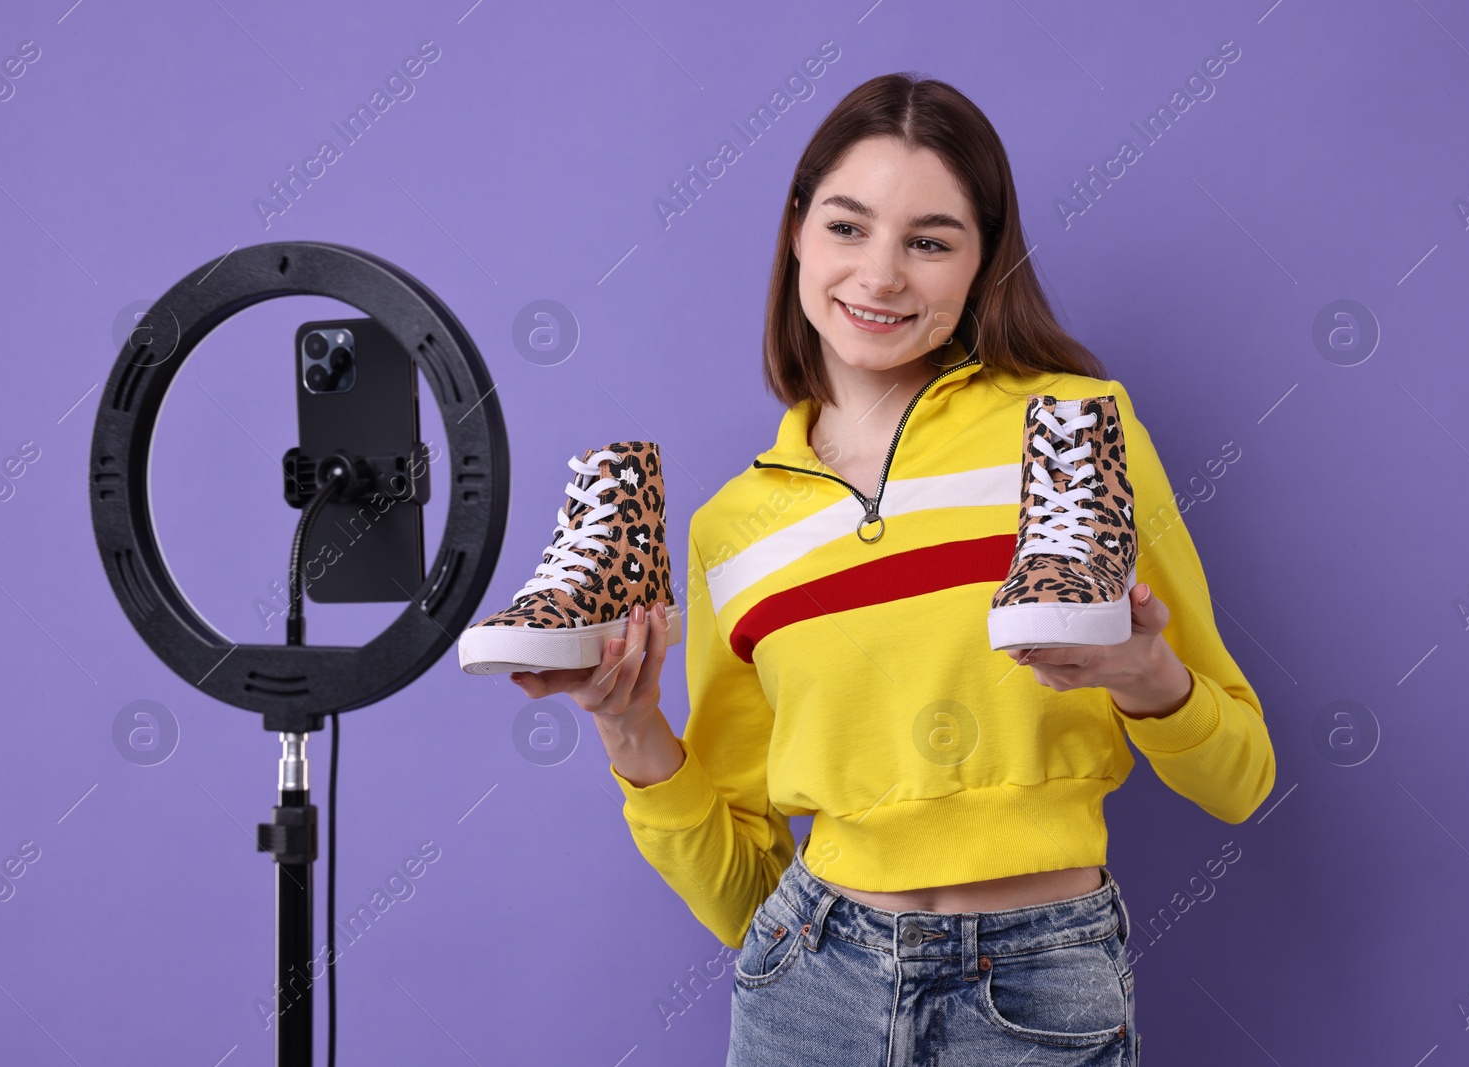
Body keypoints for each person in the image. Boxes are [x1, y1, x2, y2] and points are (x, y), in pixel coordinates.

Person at [509, 72, 1276, 1066]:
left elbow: (1240, 780)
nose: (878, 276)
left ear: (980, 263)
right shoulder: (730, 529)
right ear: (795, 233)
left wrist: (1145, 677)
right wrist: (629, 723)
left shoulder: (1074, 438)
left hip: (1040, 978)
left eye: (928, 240)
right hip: (809, 982)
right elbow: (745, 892)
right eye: (846, 226)